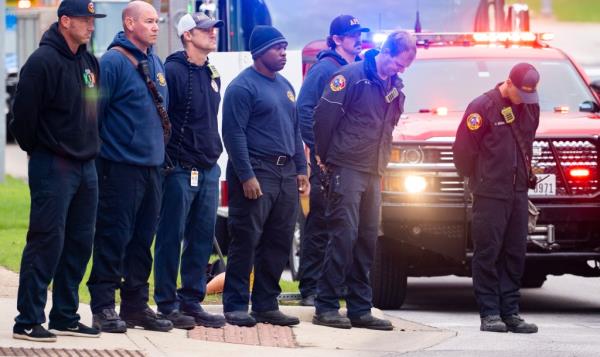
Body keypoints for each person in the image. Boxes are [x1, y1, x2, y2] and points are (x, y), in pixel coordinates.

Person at [9, 0, 105, 342]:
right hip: (53, 165)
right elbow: (22, 121)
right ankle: (28, 319)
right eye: (85, 19)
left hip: (86, 166)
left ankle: (65, 315)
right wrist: (44, 150)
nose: (91, 25)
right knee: (47, 240)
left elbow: (96, 112)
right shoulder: (42, 62)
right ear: (65, 21)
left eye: (93, 19)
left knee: (80, 242)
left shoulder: (89, 62)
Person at [312, 31, 416, 330]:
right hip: (346, 166)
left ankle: (360, 308)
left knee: (368, 239)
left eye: (407, 65)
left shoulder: (394, 85)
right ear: (386, 52)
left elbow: (390, 125)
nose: (402, 69)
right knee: (343, 236)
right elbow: (323, 119)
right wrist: (325, 158)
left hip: (374, 170)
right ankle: (326, 305)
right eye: (400, 62)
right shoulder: (350, 77)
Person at [86, 0, 172, 333]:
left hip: (153, 169)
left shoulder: (156, 63)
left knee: (142, 241)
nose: (155, 26)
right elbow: (93, 115)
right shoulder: (111, 63)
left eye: (157, 21)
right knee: (112, 237)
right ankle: (103, 305)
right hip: (118, 168)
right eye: (149, 21)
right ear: (129, 23)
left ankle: (135, 305)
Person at [222, 25, 309, 327]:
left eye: (285, 47)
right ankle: (235, 304)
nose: (284, 53)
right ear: (259, 52)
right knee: (246, 238)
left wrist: (301, 168)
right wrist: (246, 175)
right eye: (277, 48)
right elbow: (233, 134)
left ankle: (265, 304)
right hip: (258, 170)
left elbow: (294, 129)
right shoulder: (242, 87)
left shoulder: (285, 85)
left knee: (279, 240)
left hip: (286, 173)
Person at [453, 63, 541, 334]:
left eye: (530, 95)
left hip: (517, 192)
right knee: (488, 252)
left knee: (515, 253)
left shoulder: (530, 106)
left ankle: (511, 312)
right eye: (520, 94)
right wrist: (479, 179)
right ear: (509, 83)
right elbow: (463, 151)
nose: (523, 101)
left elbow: (528, 141)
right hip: (489, 192)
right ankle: (490, 313)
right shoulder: (481, 107)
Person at [153, 12, 226, 330]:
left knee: (201, 238)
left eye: (213, 29)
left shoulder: (212, 71)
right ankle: (167, 304)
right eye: (205, 30)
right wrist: (168, 162)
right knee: (171, 236)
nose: (212, 33)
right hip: (180, 169)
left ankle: (191, 300)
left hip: (209, 168)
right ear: (187, 35)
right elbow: (162, 119)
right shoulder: (172, 71)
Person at [296, 14, 369, 307]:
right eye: (352, 35)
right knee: (321, 224)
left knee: (343, 225)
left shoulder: (355, 68)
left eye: (359, 34)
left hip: (348, 161)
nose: (358, 39)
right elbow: (303, 109)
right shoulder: (324, 69)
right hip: (327, 161)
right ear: (337, 39)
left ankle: (333, 284)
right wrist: (317, 151)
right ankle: (310, 287)